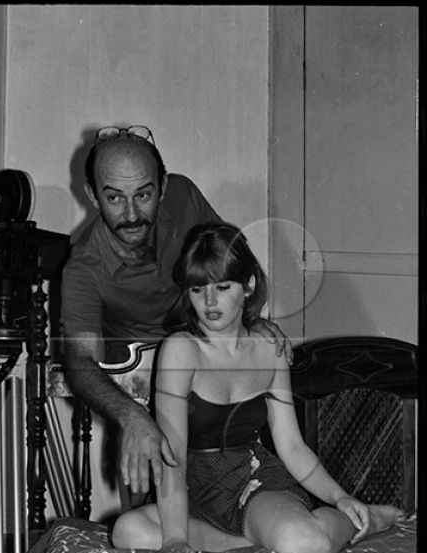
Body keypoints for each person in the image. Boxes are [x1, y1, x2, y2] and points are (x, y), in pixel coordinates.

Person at [111, 221, 404, 553]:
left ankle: (367, 519)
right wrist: (175, 538)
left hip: (251, 483)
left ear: (248, 285)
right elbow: (173, 457)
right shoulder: (181, 350)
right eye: (197, 289)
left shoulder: (268, 350)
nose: (209, 302)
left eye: (223, 287)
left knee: (307, 544)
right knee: (128, 532)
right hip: (190, 489)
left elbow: (291, 446)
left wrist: (339, 496)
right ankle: (261, 543)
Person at [61, 125, 291, 506]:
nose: (131, 215)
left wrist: (250, 319)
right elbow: (79, 360)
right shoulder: (83, 268)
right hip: (137, 376)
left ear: (164, 187)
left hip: (201, 345)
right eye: (114, 198)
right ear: (92, 195)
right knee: (148, 506)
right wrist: (131, 416)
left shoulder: (184, 197)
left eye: (144, 195)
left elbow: (231, 262)